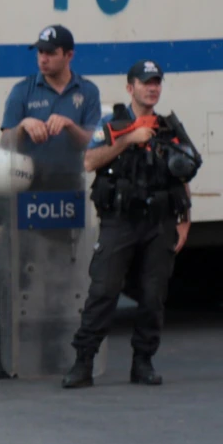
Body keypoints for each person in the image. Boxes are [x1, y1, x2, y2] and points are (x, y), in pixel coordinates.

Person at [62, 60, 193, 389]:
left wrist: (185, 219)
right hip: (120, 219)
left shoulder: (169, 127)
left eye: (157, 82)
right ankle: (83, 362)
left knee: (153, 295)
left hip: (159, 221)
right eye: (145, 82)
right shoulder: (112, 123)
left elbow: (183, 174)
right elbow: (90, 160)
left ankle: (143, 362)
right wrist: (128, 139)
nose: (152, 88)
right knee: (103, 290)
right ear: (130, 87)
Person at [0, 24, 102, 378]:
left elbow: (95, 143)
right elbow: (4, 141)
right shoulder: (23, 90)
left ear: (69, 55)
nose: (43, 58)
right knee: (19, 275)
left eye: (50, 52)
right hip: (28, 189)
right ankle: (6, 352)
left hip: (70, 188)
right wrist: (23, 126)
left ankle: (60, 350)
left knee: (66, 275)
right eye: (40, 52)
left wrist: (69, 126)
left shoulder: (86, 92)